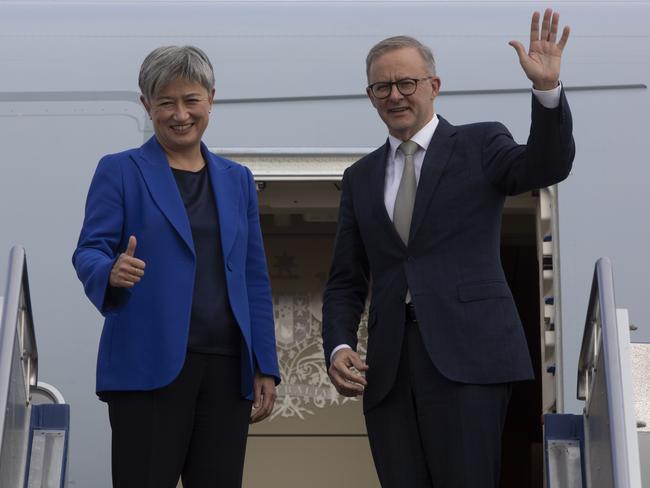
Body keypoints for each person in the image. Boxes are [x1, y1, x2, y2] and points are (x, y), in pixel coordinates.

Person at [322, 9, 573, 488]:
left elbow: (547, 165)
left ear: (434, 85)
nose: (395, 94)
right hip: (389, 368)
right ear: (370, 96)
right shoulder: (360, 178)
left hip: (469, 359)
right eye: (382, 87)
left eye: (407, 82)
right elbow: (345, 279)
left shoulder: (480, 143)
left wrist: (546, 92)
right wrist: (338, 345)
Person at [72, 45, 279, 488]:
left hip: (226, 369)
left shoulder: (236, 179)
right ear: (147, 105)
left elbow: (253, 277)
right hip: (147, 368)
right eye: (166, 102)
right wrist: (109, 271)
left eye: (191, 100)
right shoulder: (120, 170)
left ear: (211, 100)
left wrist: (264, 363)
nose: (180, 113)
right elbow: (88, 250)